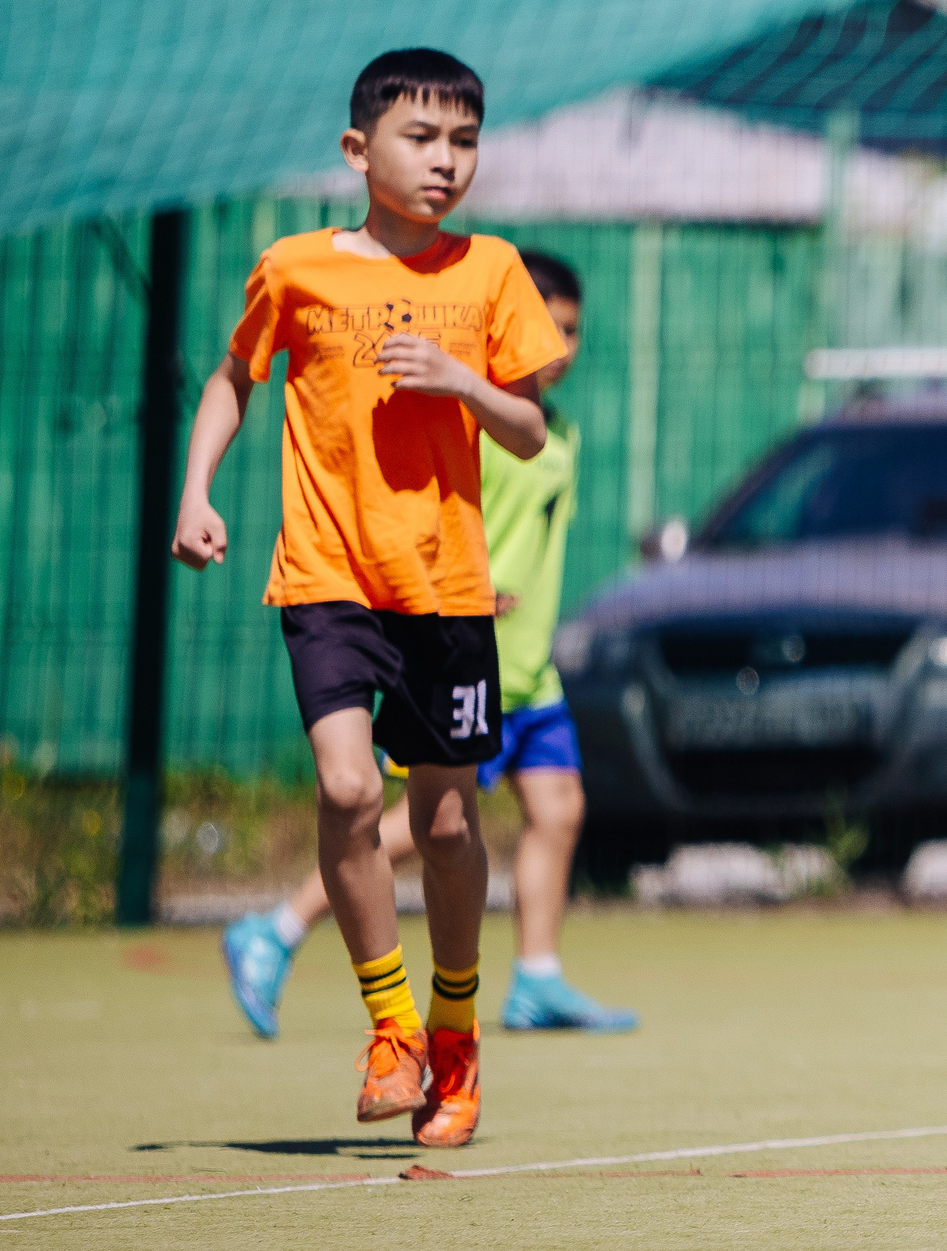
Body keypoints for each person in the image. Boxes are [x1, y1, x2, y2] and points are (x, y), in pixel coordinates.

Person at [173, 49, 566, 1148]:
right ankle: (391, 1027)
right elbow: (233, 377)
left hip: (446, 589)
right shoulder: (296, 268)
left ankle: (456, 1034)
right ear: (358, 150)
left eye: (465, 141)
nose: (447, 161)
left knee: (444, 822)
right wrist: (197, 490)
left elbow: (529, 430)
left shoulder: (491, 271)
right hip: (327, 576)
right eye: (422, 138)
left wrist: (465, 382)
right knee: (347, 792)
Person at [222, 250, 637, 1038]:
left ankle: (537, 977)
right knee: (421, 827)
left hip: (532, 672)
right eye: (549, 327)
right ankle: (276, 930)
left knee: (559, 808)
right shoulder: (473, 423)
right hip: (467, 648)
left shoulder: (556, 433)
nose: (561, 346)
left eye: (573, 331)